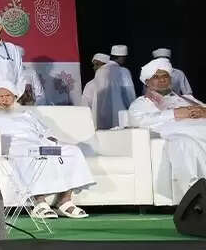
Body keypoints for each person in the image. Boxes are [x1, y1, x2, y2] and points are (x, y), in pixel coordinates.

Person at [0, 80, 95, 219]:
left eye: (8, 95)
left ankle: (65, 201)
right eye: (0, 96)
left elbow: (46, 132)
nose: (5, 99)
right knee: (35, 155)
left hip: (39, 144)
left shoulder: (26, 114)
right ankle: (39, 203)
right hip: (16, 148)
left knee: (73, 151)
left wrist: (53, 142)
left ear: (14, 97)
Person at [128, 58, 206, 199]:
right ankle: (194, 195)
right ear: (147, 82)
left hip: (200, 129)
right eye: (156, 77)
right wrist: (176, 113)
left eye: (165, 76)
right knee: (183, 143)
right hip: (177, 133)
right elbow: (139, 121)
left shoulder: (188, 99)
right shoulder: (140, 103)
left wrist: (204, 112)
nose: (162, 80)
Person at [84, 52, 134, 129]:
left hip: (121, 124)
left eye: (98, 64)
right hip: (99, 125)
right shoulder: (90, 85)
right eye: (94, 65)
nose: (94, 67)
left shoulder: (121, 75)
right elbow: (85, 106)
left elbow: (130, 99)